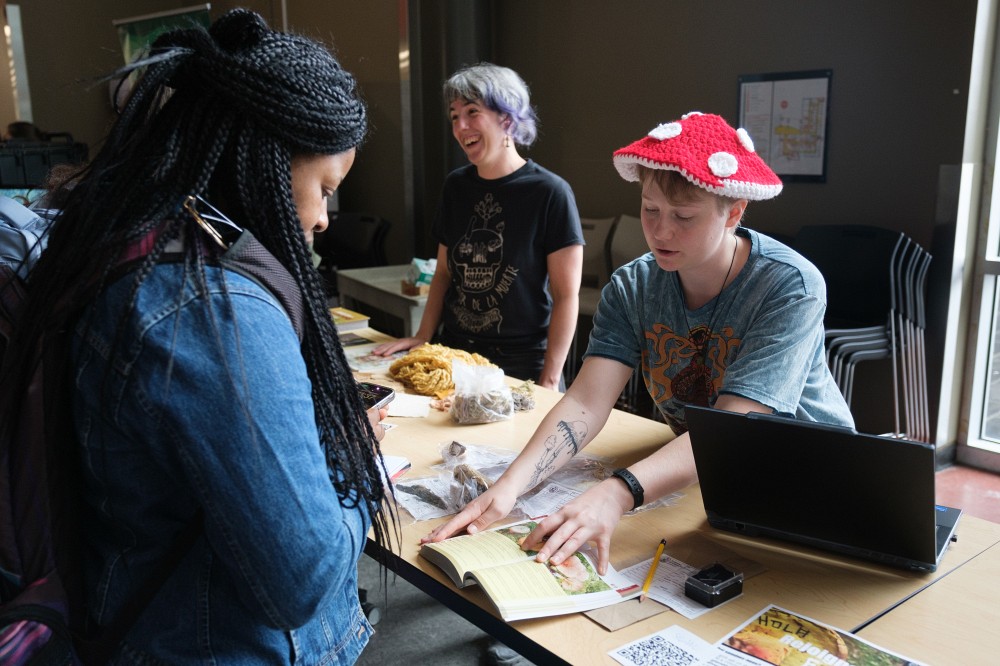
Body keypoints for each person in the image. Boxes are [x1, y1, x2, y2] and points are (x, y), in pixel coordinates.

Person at [0, 9, 394, 664]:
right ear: (262, 159)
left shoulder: (127, 240)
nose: (324, 218)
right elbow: (302, 578)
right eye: (324, 188)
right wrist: (355, 460)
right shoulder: (216, 312)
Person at [424, 111, 853, 574]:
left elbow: (733, 426)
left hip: (811, 482)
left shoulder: (788, 285)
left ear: (733, 212)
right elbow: (586, 402)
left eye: (683, 217)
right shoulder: (634, 285)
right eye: (650, 210)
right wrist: (511, 485)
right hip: (710, 475)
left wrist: (616, 491)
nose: (661, 231)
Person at [372, 62, 583, 391]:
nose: (461, 126)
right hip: (454, 354)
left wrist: (550, 380)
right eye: (454, 115)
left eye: (472, 111)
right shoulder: (455, 187)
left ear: (507, 118)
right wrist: (422, 337)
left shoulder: (550, 193)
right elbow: (443, 273)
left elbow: (566, 296)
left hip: (520, 361)